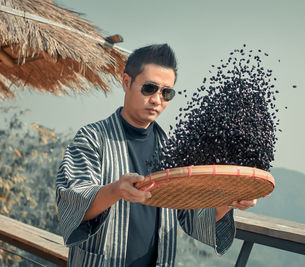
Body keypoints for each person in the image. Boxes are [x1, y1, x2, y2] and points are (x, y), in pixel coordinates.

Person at [56, 44, 257, 267]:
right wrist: (116, 190)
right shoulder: (92, 138)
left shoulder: (173, 151)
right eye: (149, 88)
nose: (156, 99)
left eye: (166, 92)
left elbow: (192, 217)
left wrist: (227, 201)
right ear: (126, 82)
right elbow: (72, 204)